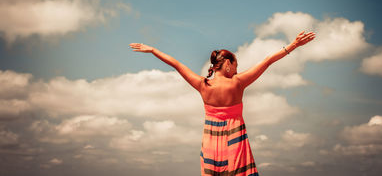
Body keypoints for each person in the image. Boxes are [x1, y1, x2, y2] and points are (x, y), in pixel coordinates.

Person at [129, 30, 316, 175]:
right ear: (227, 64)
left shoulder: (203, 85)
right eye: (235, 65)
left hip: (210, 142)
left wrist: (153, 50)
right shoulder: (238, 82)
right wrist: (293, 45)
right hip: (235, 141)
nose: (237, 69)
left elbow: (176, 64)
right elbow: (267, 61)